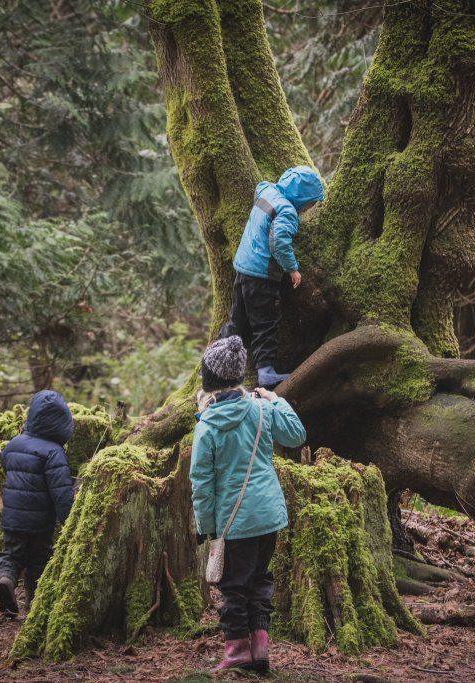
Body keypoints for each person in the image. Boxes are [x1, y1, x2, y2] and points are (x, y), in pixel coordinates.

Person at [190, 336, 307, 673]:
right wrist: (276, 400)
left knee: (233, 588)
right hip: (268, 516)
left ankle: (237, 650)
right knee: (260, 581)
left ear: (208, 380)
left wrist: (206, 528)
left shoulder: (207, 427)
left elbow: (201, 485)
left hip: (234, 522)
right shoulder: (261, 410)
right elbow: (296, 436)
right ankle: (260, 651)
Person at [225, 165, 325, 388]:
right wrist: (292, 268)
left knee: (237, 320)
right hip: (261, 275)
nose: (308, 209)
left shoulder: (266, 191)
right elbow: (279, 241)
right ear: (302, 198)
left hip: (243, 267)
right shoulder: (287, 212)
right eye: (310, 204)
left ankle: (217, 360)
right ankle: (266, 371)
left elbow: (259, 188)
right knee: (264, 324)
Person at [0, 389, 75, 618]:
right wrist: (70, 521)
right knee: (38, 562)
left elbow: (7, 469)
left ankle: (5, 580)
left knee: (11, 555)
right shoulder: (54, 452)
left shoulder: (13, 445)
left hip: (12, 519)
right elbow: (61, 495)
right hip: (40, 523)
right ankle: (35, 607)